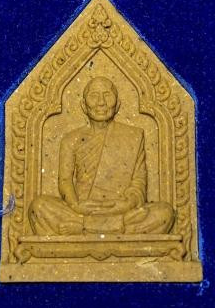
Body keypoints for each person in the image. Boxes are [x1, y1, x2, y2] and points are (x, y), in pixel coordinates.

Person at [29, 76, 174, 236]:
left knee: (165, 213)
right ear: (83, 105)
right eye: (94, 96)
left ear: (117, 104)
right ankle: (114, 228)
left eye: (107, 95)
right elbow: (65, 181)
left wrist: (127, 204)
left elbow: (139, 183)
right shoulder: (71, 139)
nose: (101, 102)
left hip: (120, 210)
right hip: (83, 209)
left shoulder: (133, 136)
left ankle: (84, 227)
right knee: (38, 207)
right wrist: (76, 205)